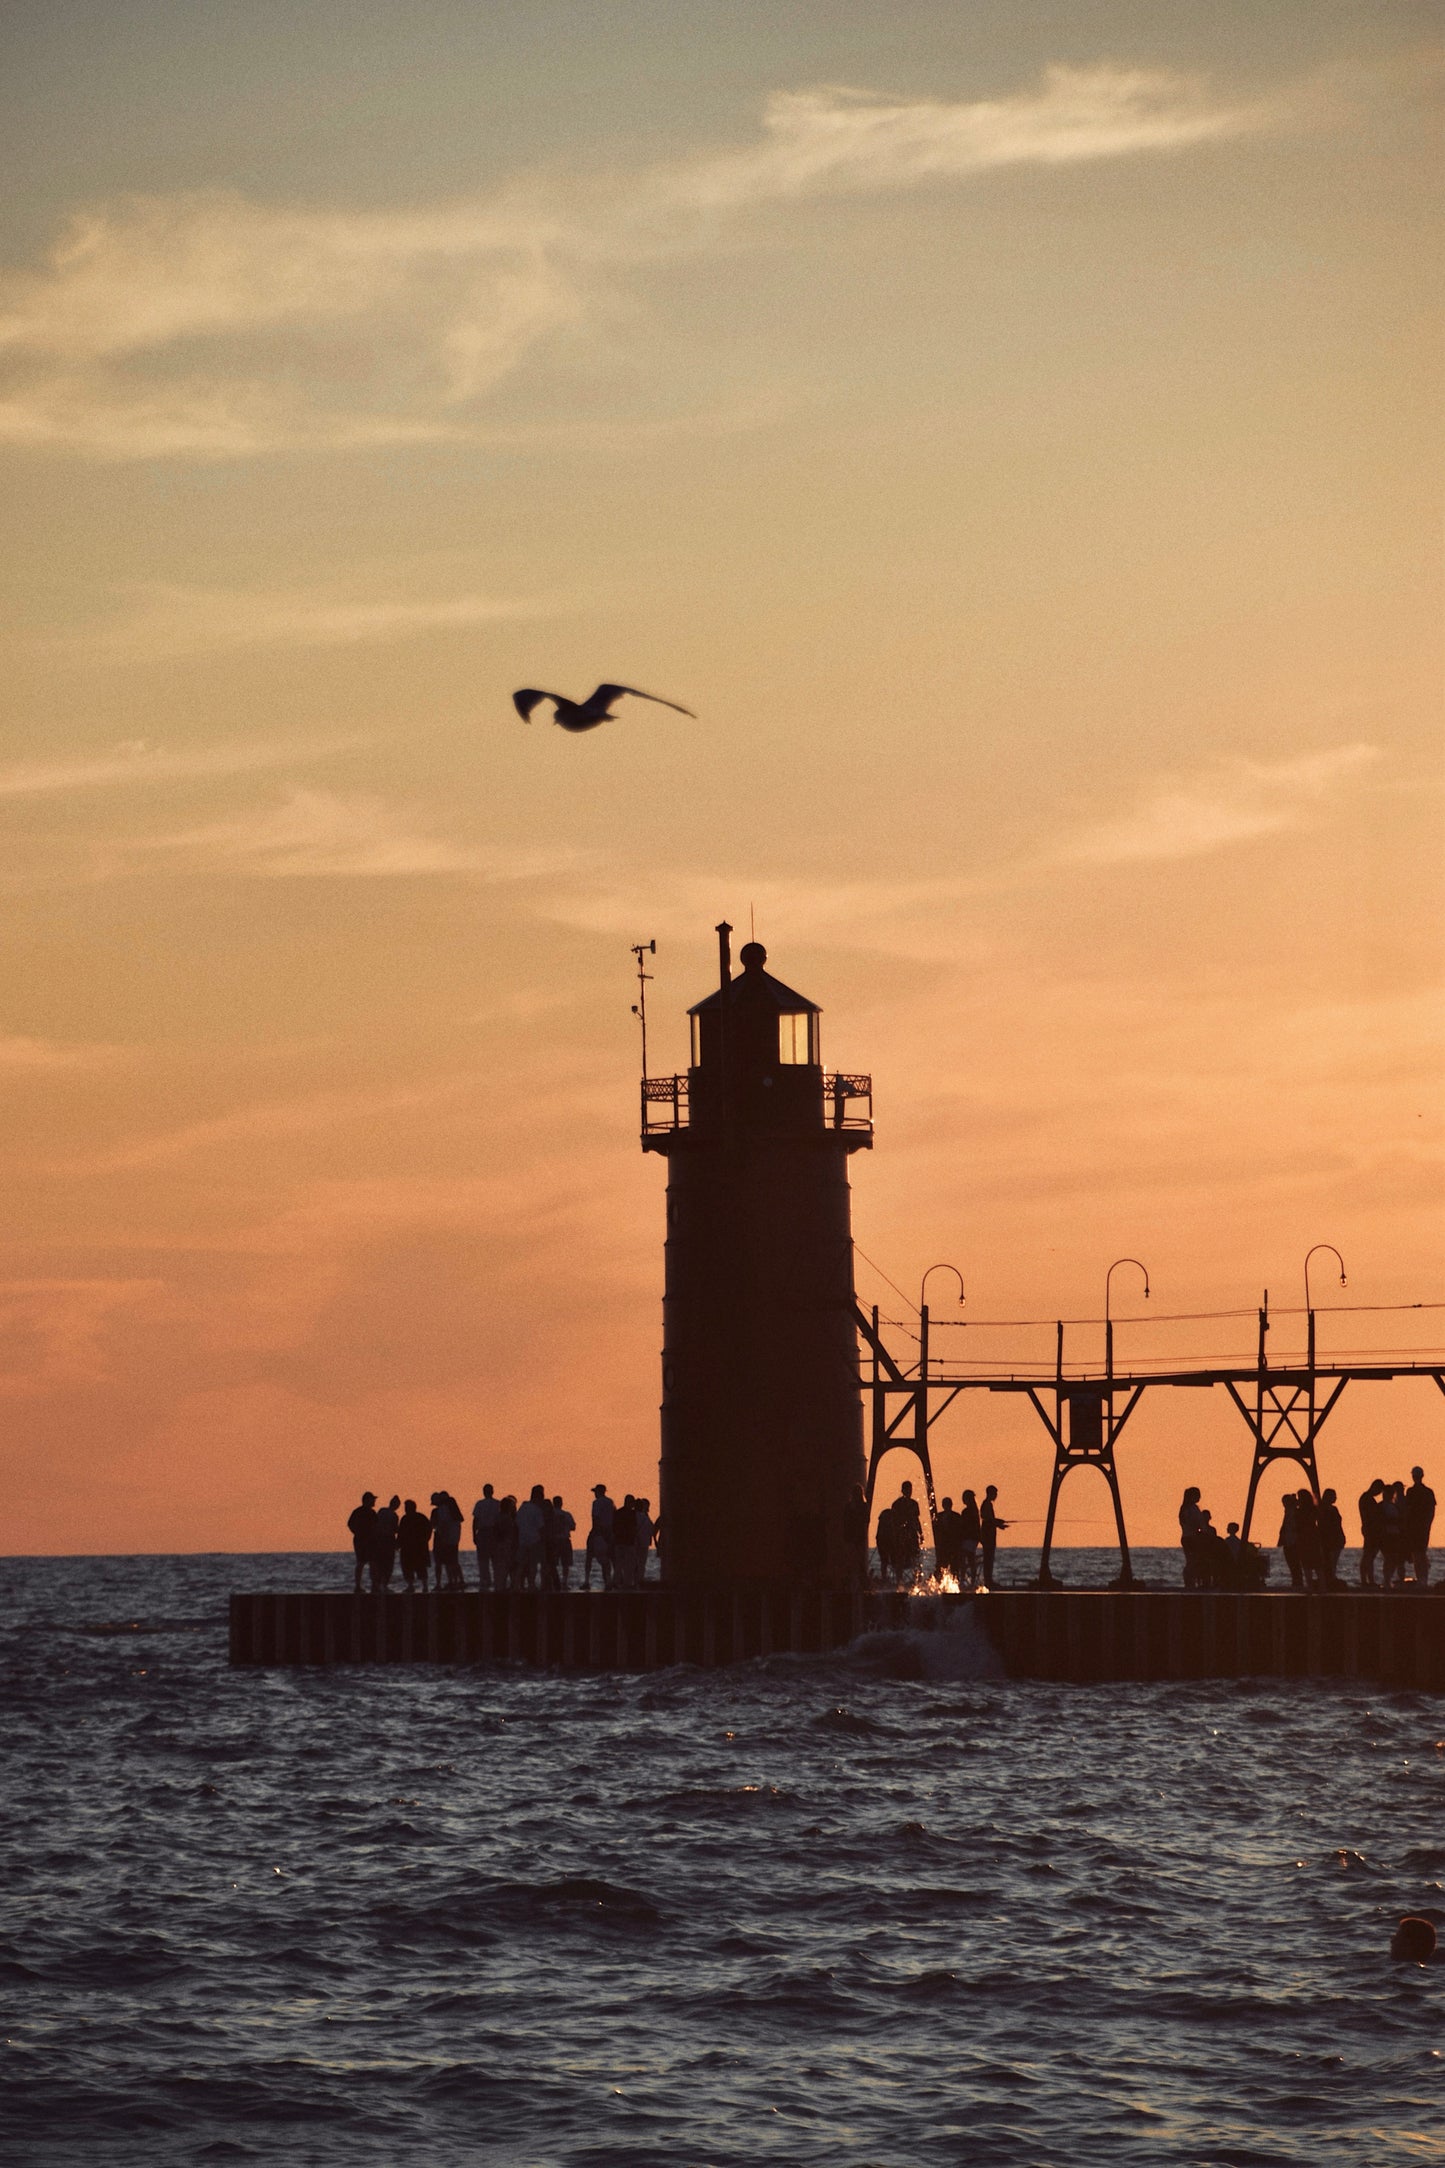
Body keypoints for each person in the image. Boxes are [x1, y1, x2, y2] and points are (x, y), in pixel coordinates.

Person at [1404, 1466, 1435, 1588]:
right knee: (1419, 1553)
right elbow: (1431, 1511)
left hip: (1417, 1527)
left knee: (1418, 1554)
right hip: (1420, 1527)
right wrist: (1427, 1524)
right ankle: (1422, 1579)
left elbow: (1408, 1510)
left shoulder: (1412, 1492)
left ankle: (1422, 1579)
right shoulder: (1427, 1492)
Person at [890, 1481, 923, 1588]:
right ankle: (900, 1581)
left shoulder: (914, 1504)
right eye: (907, 1489)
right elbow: (894, 1521)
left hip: (912, 1534)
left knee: (915, 1557)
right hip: (901, 1535)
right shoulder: (896, 1504)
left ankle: (916, 1580)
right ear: (903, 1490)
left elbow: (916, 1520)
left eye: (910, 1489)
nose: (909, 1492)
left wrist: (921, 1533)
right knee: (900, 1557)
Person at [431, 1490, 465, 1591]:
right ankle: (458, 1581)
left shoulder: (443, 1510)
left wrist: (443, 1537)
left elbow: (442, 1525)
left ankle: (451, 1582)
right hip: (454, 1539)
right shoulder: (454, 1512)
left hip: (445, 1539)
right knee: (453, 1561)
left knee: (447, 1562)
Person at [516, 1484, 547, 1589]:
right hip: (534, 1540)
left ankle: (517, 1585)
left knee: (521, 1564)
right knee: (533, 1564)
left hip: (522, 1540)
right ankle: (531, 1584)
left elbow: (517, 1522)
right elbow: (541, 1527)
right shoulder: (537, 1510)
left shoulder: (522, 1508)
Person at [398, 1499, 432, 1592]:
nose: (405, 1509)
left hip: (416, 1547)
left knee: (418, 1567)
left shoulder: (410, 1518)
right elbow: (401, 1533)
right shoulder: (417, 1518)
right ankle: (414, 1586)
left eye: (407, 1507)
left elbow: (428, 1529)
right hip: (413, 1547)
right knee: (412, 1567)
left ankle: (421, 1586)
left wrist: (425, 1540)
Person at [347, 1491, 377, 1596]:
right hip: (361, 1540)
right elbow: (350, 1524)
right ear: (367, 1500)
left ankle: (373, 1585)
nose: (374, 1501)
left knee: (372, 1562)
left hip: (370, 1540)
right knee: (361, 1562)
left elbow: (376, 1526)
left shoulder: (372, 1513)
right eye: (372, 1499)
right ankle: (358, 1585)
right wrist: (358, 1532)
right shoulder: (358, 1512)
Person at [472, 1483, 501, 1590]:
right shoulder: (497, 1504)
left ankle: (485, 1581)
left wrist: (474, 1535)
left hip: (483, 1532)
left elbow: (475, 1520)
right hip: (493, 1533)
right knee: (495, 1560)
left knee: (483, 1560)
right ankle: (497, 1581)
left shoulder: (479, 1504)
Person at [586, 1484, 615, 1590]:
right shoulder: (610, 1502)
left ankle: (586, 1580)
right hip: (610, 1531)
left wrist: (595, 1532)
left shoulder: (596, 1503)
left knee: (589, 1556)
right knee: (608, 1558)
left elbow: (595, 1518)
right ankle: (608, 1580)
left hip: (599, 1531)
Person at [1358, 1478, 1386, 1588]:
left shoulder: (1367, 1498)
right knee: (1368, 1556)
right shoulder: (1367, 1499)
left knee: (1369, 1556)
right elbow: (1372, 1516)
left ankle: (1367, 1580)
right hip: (1371, 1531)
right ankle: (1367, 1581)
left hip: (1371, 1530)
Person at [842, 1483, 870, 1587]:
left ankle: (855, 1582)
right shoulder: (862, 1506)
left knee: (855, 1561)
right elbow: (866, 1520)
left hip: (855, 1537)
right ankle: (858, 1582)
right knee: (856, 1561)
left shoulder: (850, 1507)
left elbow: (846, 1522)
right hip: (856, 1537)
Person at [1380, 1480, 1407, 1589]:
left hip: (1395, 1534)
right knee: (1390, 1558)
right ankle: (1387, 1580)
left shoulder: (1392, 1505)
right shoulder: (1385, 1506)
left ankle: (1388, 1579)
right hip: (1389, 1535)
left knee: (1394, 1559)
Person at [371, 1494, 400, 1593]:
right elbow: (395, 1529)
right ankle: (383, 1585)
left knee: (379, 1563)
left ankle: (376, 1584)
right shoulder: (394, 1515)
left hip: (379, 1540)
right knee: (387, 1564)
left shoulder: (382, 1511)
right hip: (388, 1540)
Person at [1318, 1488, 1346, 1588]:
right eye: (1334, 1496)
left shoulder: (1334, 1509)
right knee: (1328, 1560)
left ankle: (1332, 1577)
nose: (1336, 1498)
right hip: (1328, 1539)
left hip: (1336, 1538)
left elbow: (1338, 1524)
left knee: (1333, 1561)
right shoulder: (1322, 1509)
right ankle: (1329, 1578)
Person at [1296, 1490, 1323, 1593]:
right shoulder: (1314, 1509)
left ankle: (1310, 1587)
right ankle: (1322, 1587)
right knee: (1317, 1565)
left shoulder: (1299, 1511)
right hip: (1313, 1537)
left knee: (1307, 1565)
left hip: (1304, 1538)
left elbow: (1297, 1523)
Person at [980, 1485, 1007, 1588]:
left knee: (989, 1558)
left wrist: (999, 1523)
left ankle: (988, 1579)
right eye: (995, 1493)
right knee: (988, 1558)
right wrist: (999, 1524)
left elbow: (990, 1519)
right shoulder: (986, 1504)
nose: (996, 1496)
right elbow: (988, 1520)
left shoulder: (987, 1504)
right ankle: (988, 1581)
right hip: (988, 1536)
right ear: (990, 1493)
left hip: (989, 1534)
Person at [1179, 1487, 1206, 1589]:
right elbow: (1196, 1522)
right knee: (1193, 1561)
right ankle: (1190, 1582)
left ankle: (1189, 1582)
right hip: (1191, 1538)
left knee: (1191, 1561)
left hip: (1187, 1537)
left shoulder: (1185, 1509)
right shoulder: (1191, 1509)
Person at [932, 1496, 962, 1586]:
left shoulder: (956, 1516)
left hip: (953, 1545)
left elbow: (959, 1531)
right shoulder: (939, 1516)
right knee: (941, 1566)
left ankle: (955, 1583)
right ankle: (938, 1583)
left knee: (954, 1567)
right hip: (943, 1546)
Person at [548, 1495, 576, 1589]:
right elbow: (573, 1527)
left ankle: (552, 1582)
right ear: (561, 1503)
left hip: (553, 1540)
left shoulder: (550, 1515)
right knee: (566, 1564)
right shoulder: (566, 1514)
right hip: (564, 1540)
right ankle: (564, 1582)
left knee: (552, 1563)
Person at [1278, 1491, 1302, 1589]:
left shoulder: (1293, 1512)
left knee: (1295, 1565)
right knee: (1293, 1565)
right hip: (1289, 1543)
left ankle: (1297, 1583)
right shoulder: (1289, 1512)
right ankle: (1296, 1582)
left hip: (1293, 1542)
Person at [613, 1494, 638, 1589]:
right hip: (629, 1542)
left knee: (618, 1564)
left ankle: (616, 1582)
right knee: (629, 1564)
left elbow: (614, 1526)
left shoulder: (618, 1513)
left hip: (619, 1541)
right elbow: (634, 1528)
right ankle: (627, 1583)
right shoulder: (632, 1514)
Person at [958, 1490, 981, 1587]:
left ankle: (963, 1580)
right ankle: (972, 1581)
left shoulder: (967, 1511)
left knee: (964, 1559)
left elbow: (963, 1526)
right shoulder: (974, 1510)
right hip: (973, 1538)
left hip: (968, 1538)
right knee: (971, 1560)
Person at [497, 1495, 519, 1590]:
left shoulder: (499, 1517)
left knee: (503, 1568)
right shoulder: (508, 1519)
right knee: (510, 1567)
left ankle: (503, 1586)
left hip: (502, 1545)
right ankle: (512, 1586)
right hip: (508, 1545)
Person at [634, 1498, 655, 1585]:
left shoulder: (633, 1516)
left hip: (635, 1542)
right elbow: (651, 1529)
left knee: (634, 1563)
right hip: (644, 1542)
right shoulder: (646, 1518)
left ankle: (634, 1580)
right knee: (642, 1563)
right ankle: (640, 1580)